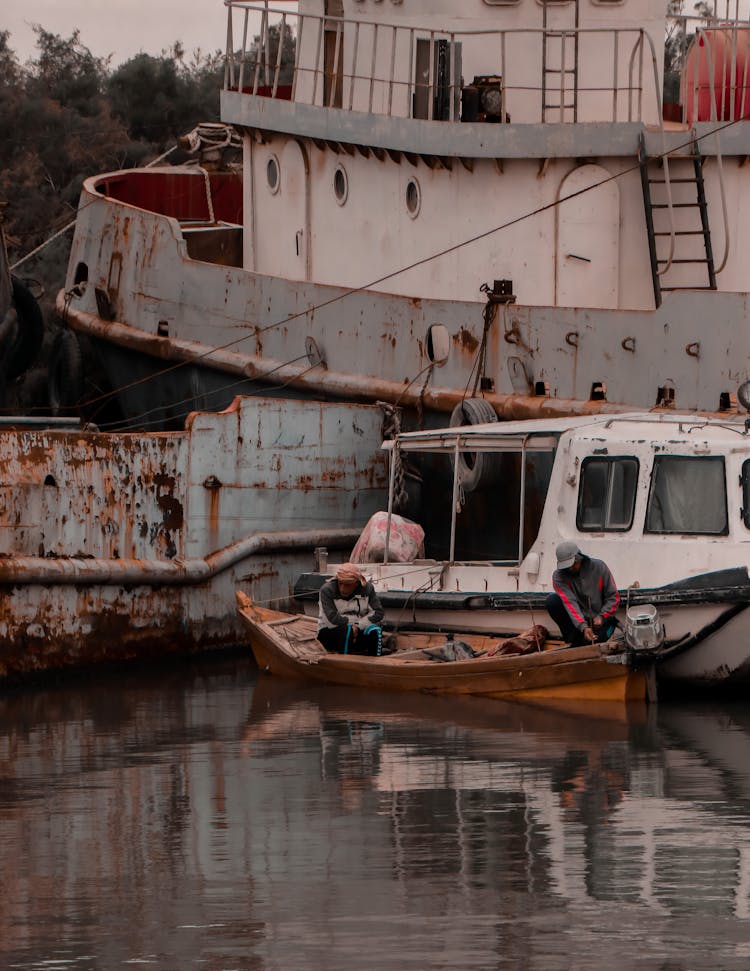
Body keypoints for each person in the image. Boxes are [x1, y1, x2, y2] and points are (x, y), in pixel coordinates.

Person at [545, 541, 620, 646]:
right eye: (567, 567)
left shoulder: (599, 567)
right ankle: (573, 640)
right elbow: (570, 602)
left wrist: (602, 616)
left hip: (602, 619)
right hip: (578, 622)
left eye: (573, 564)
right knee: (552, 601)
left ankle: (586, 639)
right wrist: (583, 626)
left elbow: (613, 598)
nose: (570, 569)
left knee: (598, 640)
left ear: (579, 557)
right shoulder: (559, 576)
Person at [317, 563, 385, 656]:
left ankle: (376, 663)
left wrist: (357, 625)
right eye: (340, 583)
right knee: (347, 631)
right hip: (329, 632)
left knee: (375, 630)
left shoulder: (367, 589)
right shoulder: (327, 590)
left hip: (357, 628)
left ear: (356, 583)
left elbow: (378, 612)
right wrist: (353, 625)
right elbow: (332, 620)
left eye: (347, 585)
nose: (343, 589)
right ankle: (345, 662)